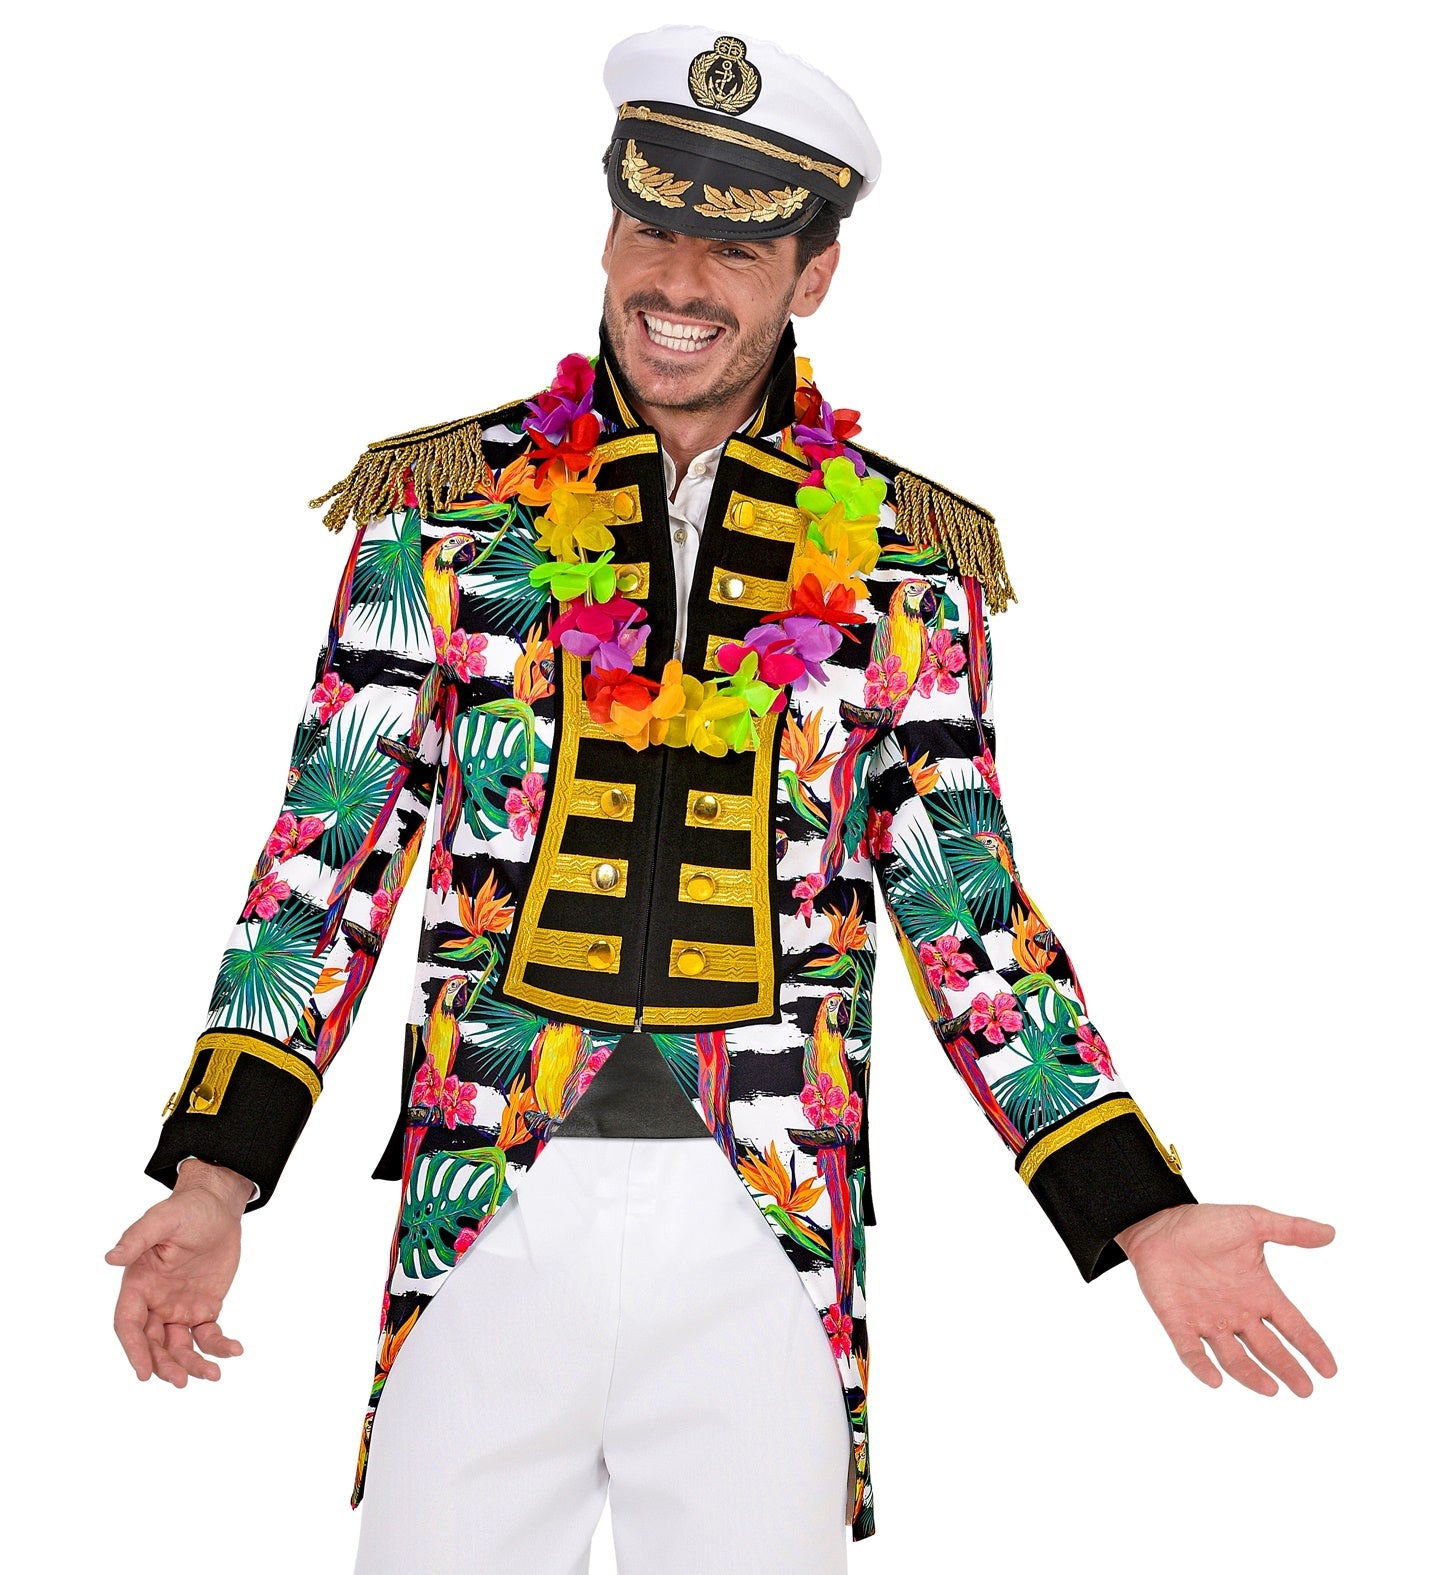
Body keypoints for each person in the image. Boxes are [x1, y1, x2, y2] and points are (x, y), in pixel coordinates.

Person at [105, 23, 1338, 1575]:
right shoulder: (442, 509)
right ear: (606, 233)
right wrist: (214, 1178)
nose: (677, 280)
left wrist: (1138, 1207)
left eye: (736, 248)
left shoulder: (903, 553)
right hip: (483, 1207)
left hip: (765, 1221)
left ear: (812, 272)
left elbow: (960, 898)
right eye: (650, 228)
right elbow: (326, 855)